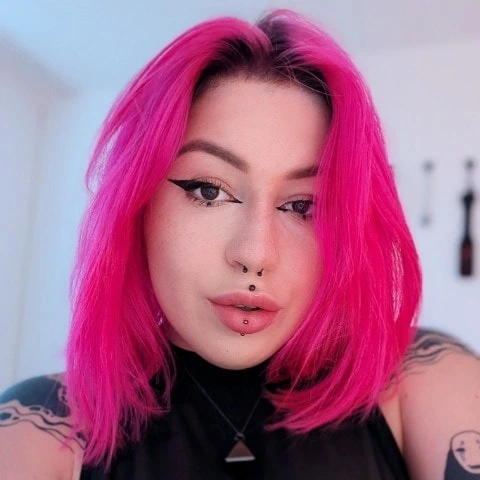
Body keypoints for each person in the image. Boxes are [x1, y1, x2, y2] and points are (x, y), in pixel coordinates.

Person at [1, 8, 479, 480]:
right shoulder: (43, 426)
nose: (255, 254)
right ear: (138, 203)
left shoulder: (418, 378)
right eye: (209, 191)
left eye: (303, 206)